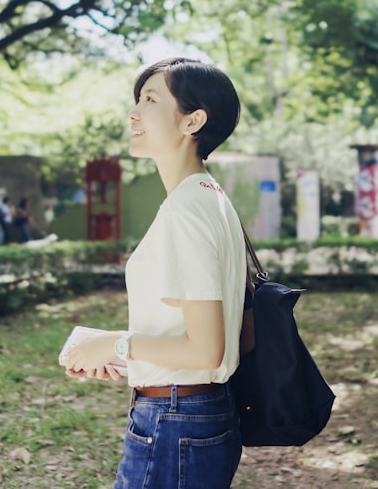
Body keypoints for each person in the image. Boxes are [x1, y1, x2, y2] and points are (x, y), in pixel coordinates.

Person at [61, 57, 246, 488]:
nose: (134, 112)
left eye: (150, 99)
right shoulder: (209, 197)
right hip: (191, 412)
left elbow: (205, 352)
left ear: (192, 121)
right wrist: (120, 357)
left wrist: (115, 342)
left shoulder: (186, 209)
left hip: (176, 421)